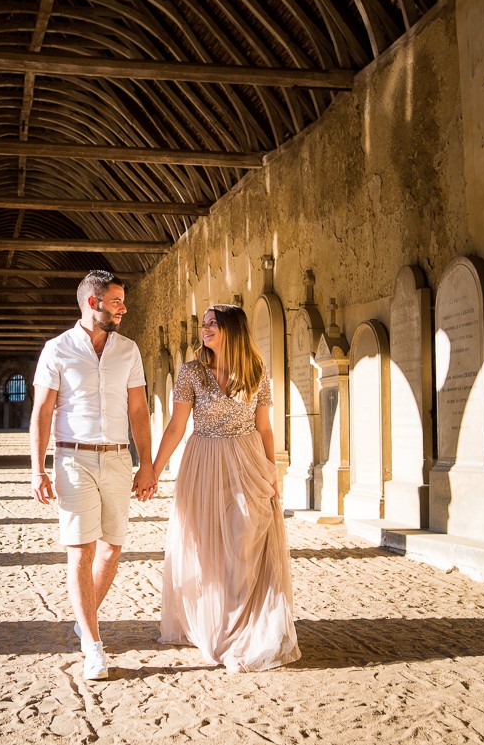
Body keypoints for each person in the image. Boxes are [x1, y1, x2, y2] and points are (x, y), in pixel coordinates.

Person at [151, 303, 300, 672]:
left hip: (247, 463)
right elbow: (175, 427)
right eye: (204, 324)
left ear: (232, 328)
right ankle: (219, 628)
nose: (206, 329)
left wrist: (272, 470)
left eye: (213, 323)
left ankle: (243, 631)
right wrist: (152, 470)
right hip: (203, 465)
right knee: (209, 550)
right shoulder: (191, 374)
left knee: (244, 538)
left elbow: (265, 427)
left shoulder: (257, 373)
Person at [30, 270, 155, 681]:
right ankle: (93, 645)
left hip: (119, 460)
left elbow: (138, 410)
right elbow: (42, 413)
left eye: (122, 301)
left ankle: (84, 621)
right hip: (73, 460)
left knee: (111, 551)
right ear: (92, 303)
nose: (123, 307)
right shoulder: (57, 350)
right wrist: (37, 469)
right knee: (80, 552)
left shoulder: (128, 350)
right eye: (116, 301)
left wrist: (148, 464)